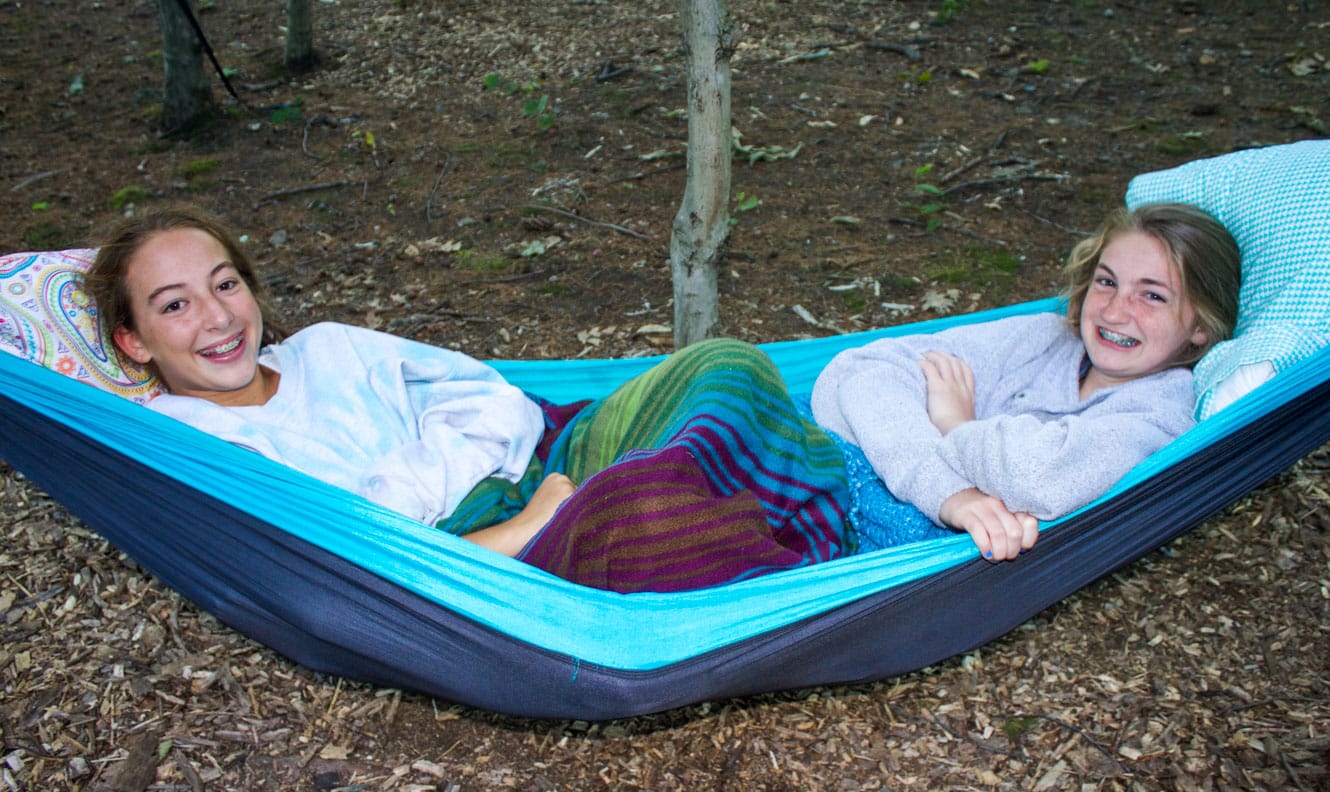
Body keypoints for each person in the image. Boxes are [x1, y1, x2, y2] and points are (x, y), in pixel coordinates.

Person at [86, 205, 854, 593]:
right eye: (176, 305)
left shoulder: (326, 348)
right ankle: (772, 541)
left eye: (225, 285)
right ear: (134, 341)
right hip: (472, 564)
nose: (219, 318)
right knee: (648, 510)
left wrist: (513, 475)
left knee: (725, 363)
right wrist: (524, 521)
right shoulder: (180, 441)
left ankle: (713, 496)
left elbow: (488, 396)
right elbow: (345, 559)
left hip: (540, 457)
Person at [811, 203, 1241, 562]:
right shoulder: (1046, 337)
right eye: (1106, 282)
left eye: (1152, 296)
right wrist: (952, 494)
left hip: (887, 543)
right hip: (841, 475)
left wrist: (954, 422)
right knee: (747, 374)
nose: (1113, 312)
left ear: (1200, 326)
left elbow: (1037, 477)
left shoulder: (1162, 411)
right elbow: (856, 371)